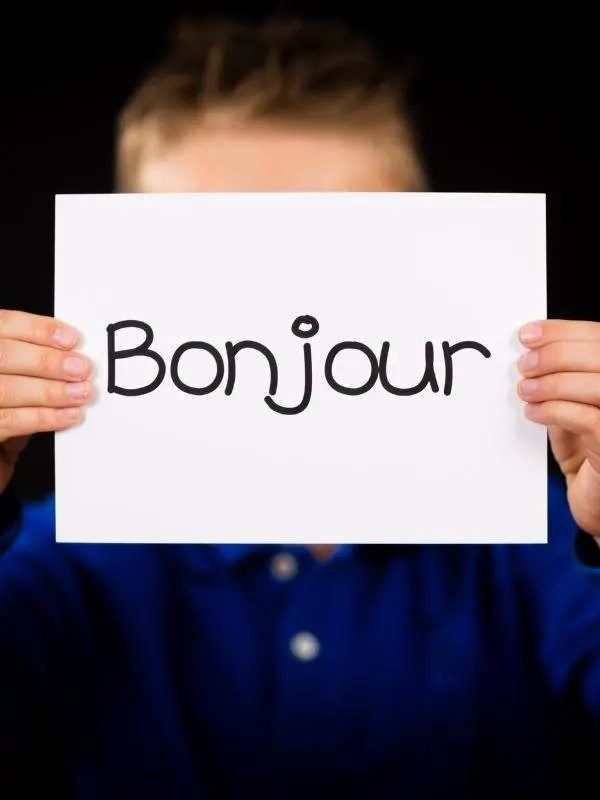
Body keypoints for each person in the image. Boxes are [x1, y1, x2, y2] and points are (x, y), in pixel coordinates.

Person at [1, 15, 599, 800]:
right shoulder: (61, 562)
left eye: (338, 248)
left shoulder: (543, 548)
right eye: (211, 253)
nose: (275, 300)